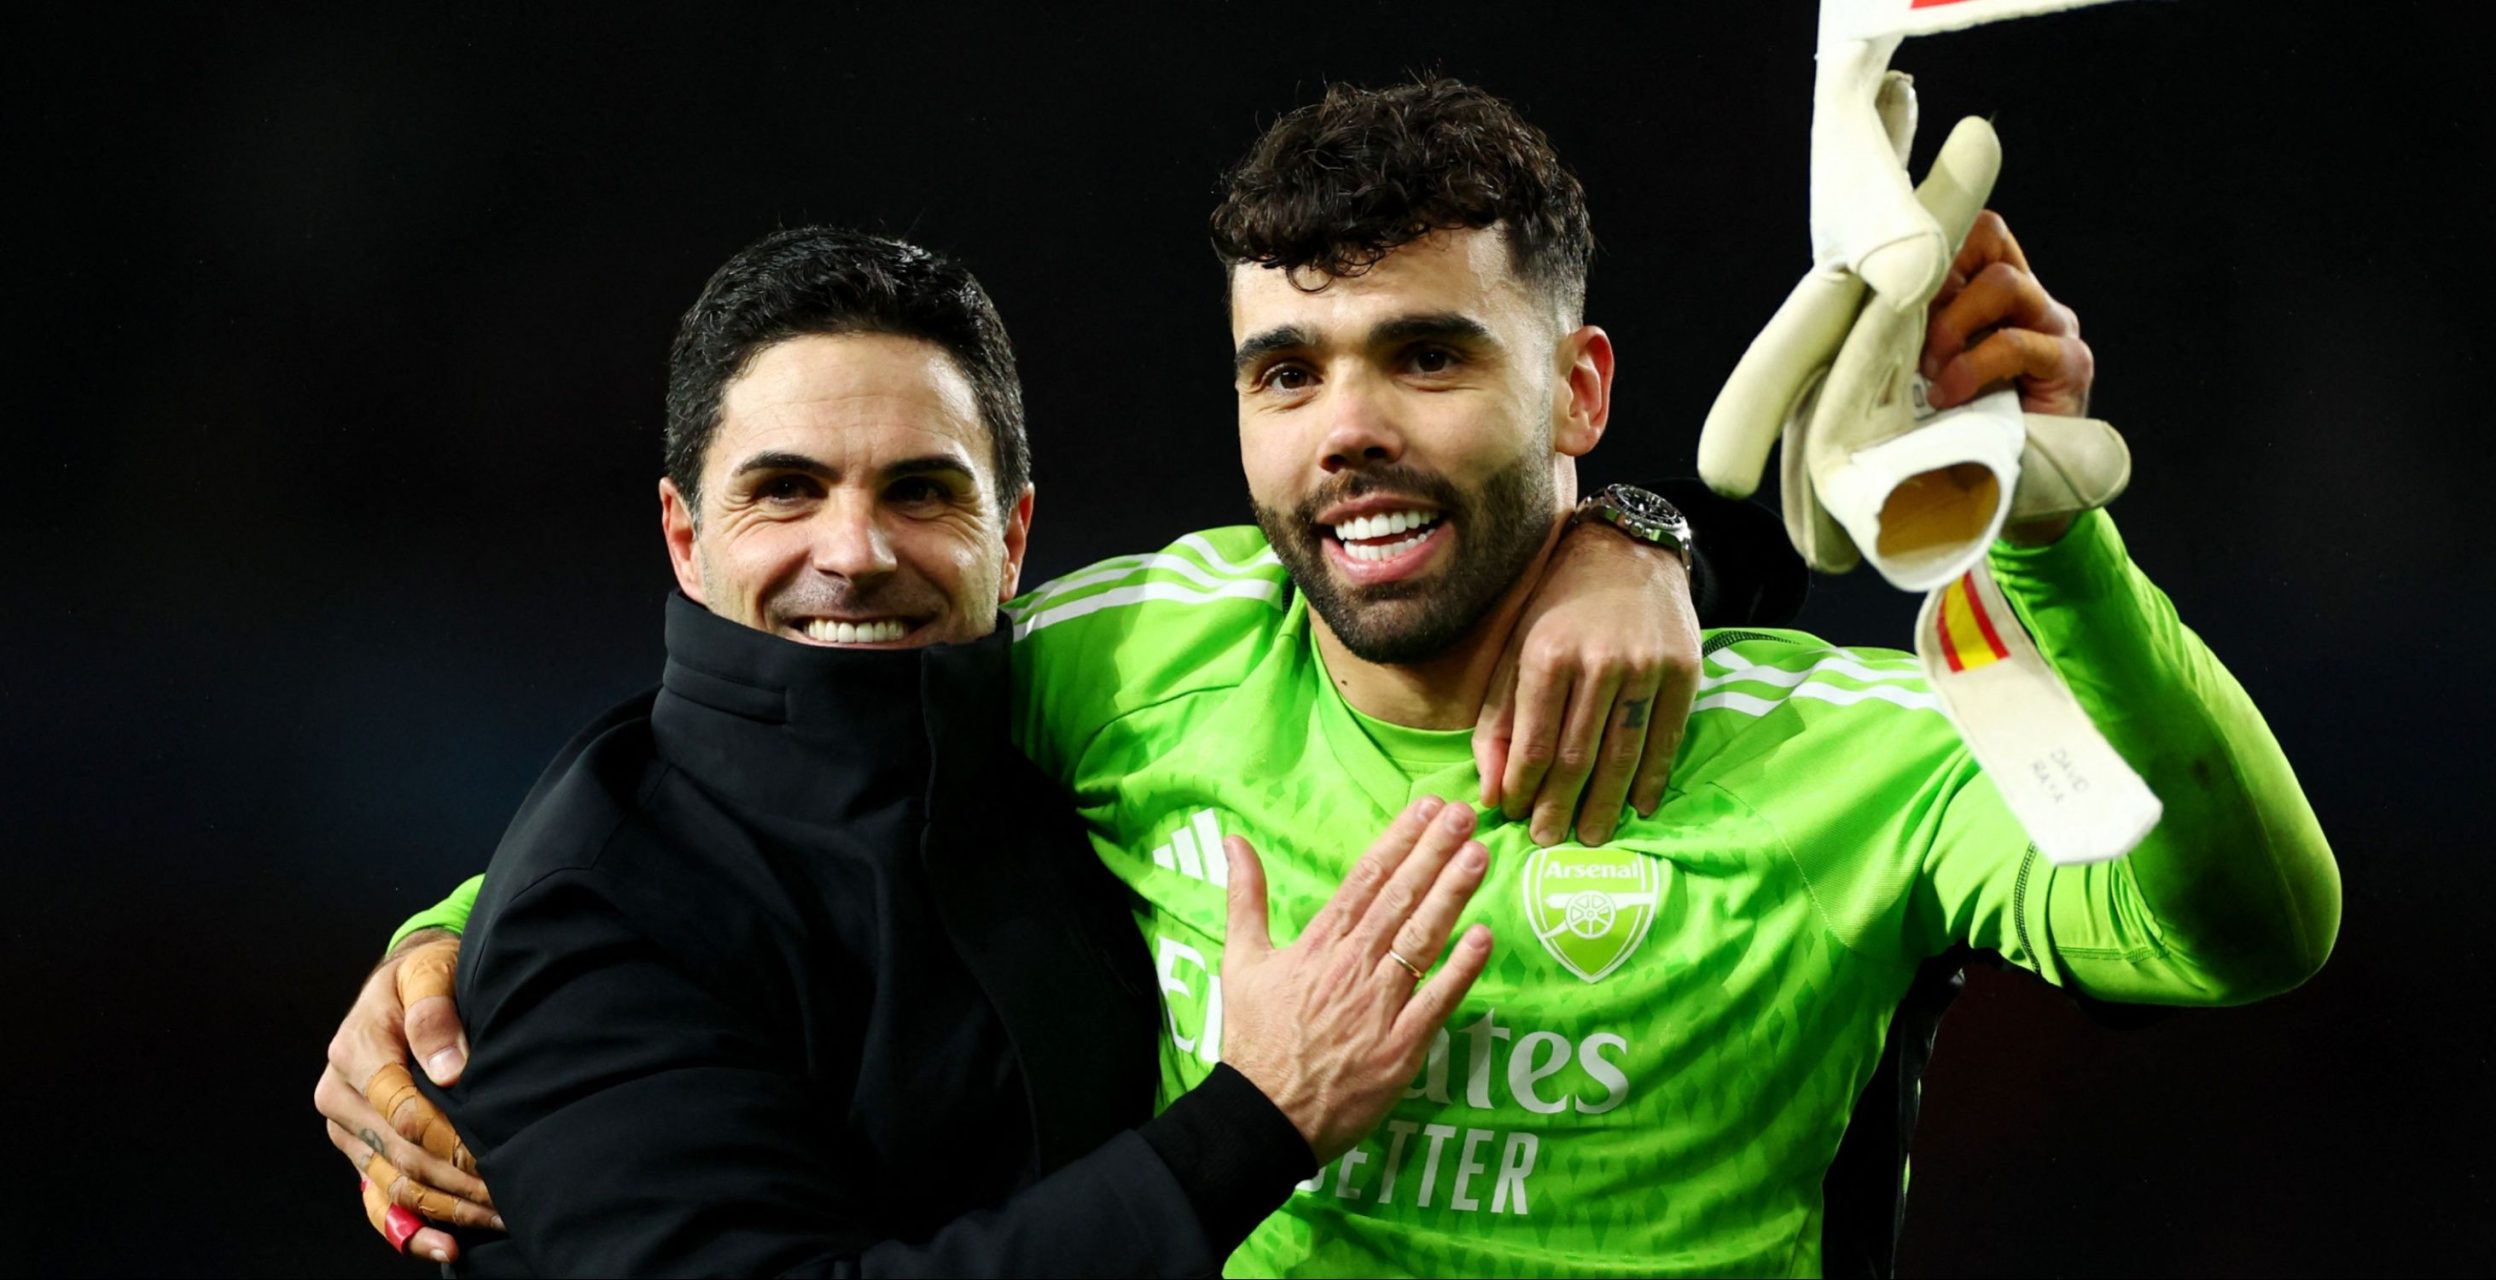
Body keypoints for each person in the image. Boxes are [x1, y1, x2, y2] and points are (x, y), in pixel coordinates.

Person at [345, 78, 2339, 1276]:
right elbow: (783, 767)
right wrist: (462, 941)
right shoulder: (1138, 656)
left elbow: (2251, 930)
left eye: (1427, 357)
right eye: (1284, 371)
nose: (1346, 428)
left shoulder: (1850, 762)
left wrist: (2047, 546)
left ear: (1576, 391)